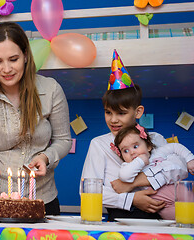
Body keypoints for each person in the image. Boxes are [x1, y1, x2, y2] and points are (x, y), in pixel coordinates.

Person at [0, 22, 72, 215]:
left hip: (42, 198)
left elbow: (63, 140)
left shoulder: (51, 89)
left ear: (26, 56)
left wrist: (46, 157)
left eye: (13, 59)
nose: (6, 69)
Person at [80, 49, 188, 221]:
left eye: (121, 113)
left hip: (160, 218)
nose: (113, 120)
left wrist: (135, 183)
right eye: (108, 112)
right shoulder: (98, 144)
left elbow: (180, 169)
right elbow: (87, 190)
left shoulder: (156, 139)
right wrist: (131, 199)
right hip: (121, 218)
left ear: (138, 112)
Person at [111, 123, 194, 219]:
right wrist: (141, 161)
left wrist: (190, 159)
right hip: (161, 203)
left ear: (148, 146)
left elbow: (175, 147)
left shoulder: (158, 153)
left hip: (176, 189)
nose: (132, 152)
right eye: (125, 151)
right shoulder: (128, 166)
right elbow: (124, 176)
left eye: (135, 146)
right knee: (178, 219)